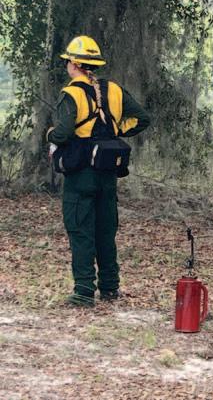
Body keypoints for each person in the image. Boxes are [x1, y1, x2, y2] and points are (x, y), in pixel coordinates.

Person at [47, 35, 151, 307]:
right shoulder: (114, 89)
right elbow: (142, 118)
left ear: (74, 64)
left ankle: (83, 291)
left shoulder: (71, 93)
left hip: (81, 173)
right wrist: (115, 131)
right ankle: (110, 288)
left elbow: (63, 133)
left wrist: (50, 134)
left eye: (68, 62)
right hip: (107, 171)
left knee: (80, 229)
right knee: (105, 230)